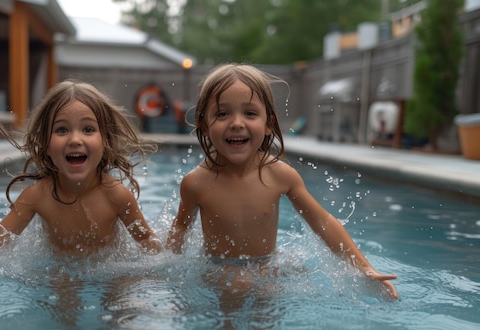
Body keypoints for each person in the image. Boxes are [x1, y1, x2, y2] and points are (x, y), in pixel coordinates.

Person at [166, 64, 398, 300]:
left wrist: (363, 267)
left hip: (266, 266)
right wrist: (168, 267)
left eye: (250, 113)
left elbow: (322, 221)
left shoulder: (280, 175)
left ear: (268, 125)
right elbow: (181, 227)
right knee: (233, 288)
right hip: (218, 269)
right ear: (205, 125)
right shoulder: (196, 183)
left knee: (269, 292)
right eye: (222, 114)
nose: (236, 123)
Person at [0, 80, 162, 274]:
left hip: (111, 270)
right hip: (61, 271)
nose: (75, 139)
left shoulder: (116, 195)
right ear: (46, 143)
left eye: (88, 129)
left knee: (121, 300)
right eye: (62, 130)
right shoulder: (37, 196)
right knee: (62, 296)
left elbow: (151, 247)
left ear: (105, 141)